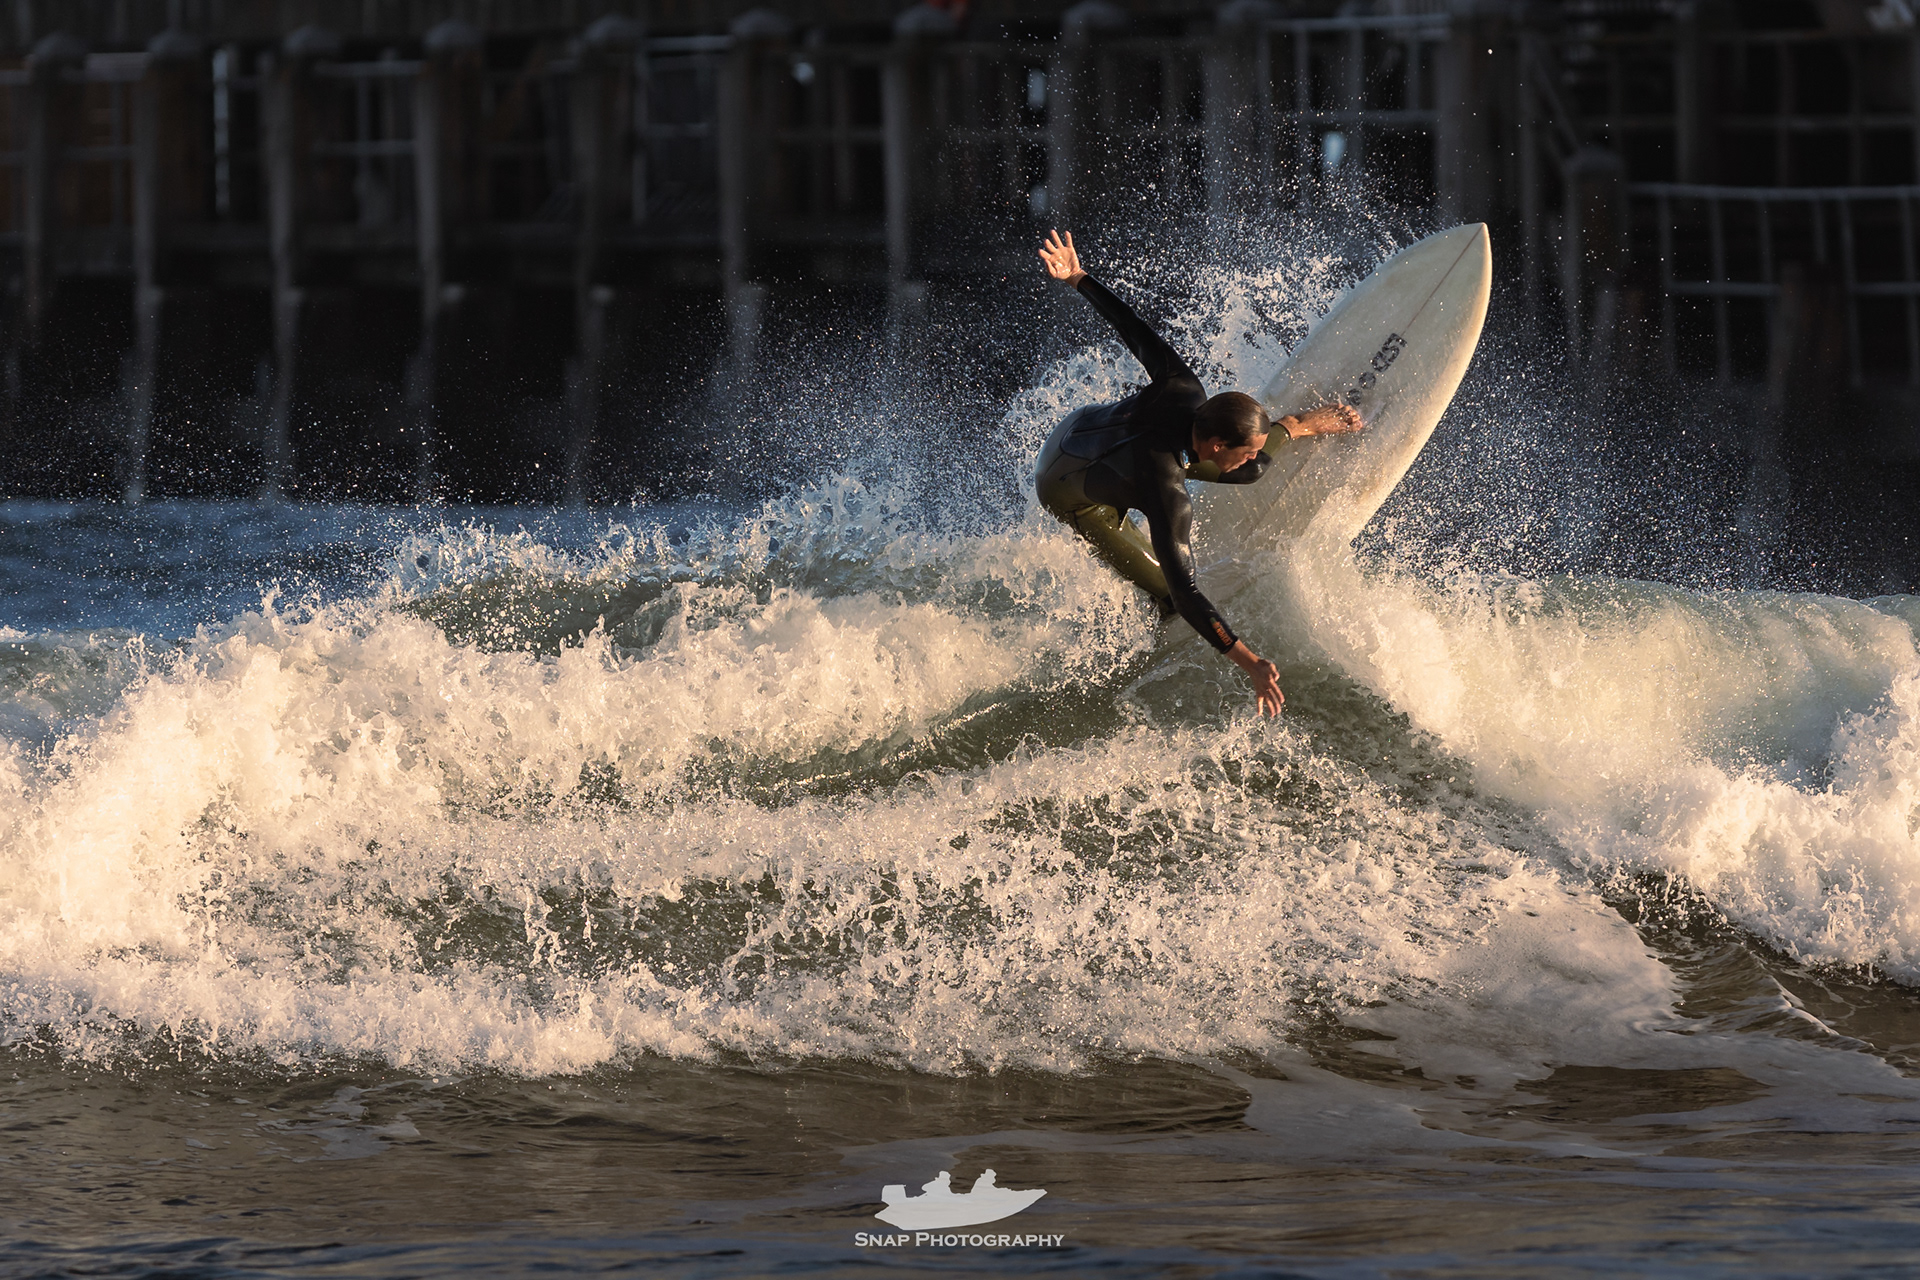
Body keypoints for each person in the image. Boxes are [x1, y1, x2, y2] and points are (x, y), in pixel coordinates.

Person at [1033, 229, 1362, 717]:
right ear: (1214, 445)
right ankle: (1145, 631)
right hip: (1068, 487)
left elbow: (1132, 327)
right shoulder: (1166, 488)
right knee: (1167, 593)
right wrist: (1249, 661)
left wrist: (1079, 277)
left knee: (1250, 476)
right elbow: (1187, 591)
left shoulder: (1185, 386)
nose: (1251, 456)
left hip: (1082, 429)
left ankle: (1292, 426)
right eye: (1245, 449)